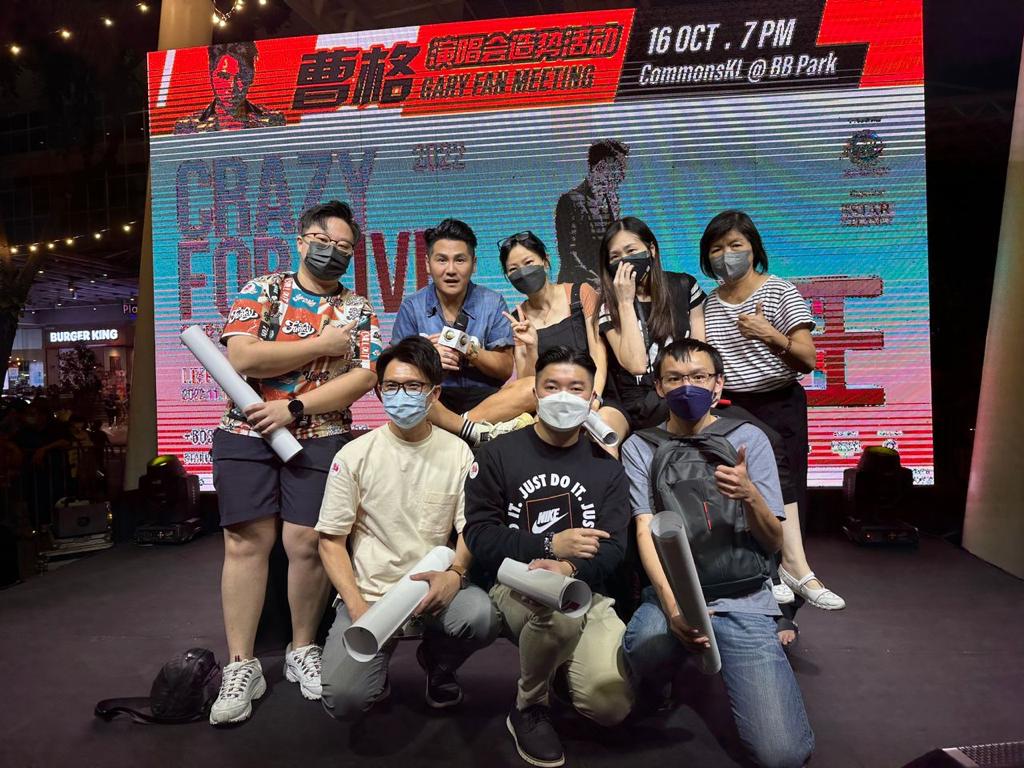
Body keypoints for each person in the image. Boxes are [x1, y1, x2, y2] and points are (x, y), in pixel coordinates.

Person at [208, 200, 382, 726]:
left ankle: (302, 648)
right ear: (301, 241)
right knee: (245, 542)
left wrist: (295, 406)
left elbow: (364, 376)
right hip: (245, 432)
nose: (333, 252)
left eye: (344, 247)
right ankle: (241, 664)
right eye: (323, 242)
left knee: (306, 543)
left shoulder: (357, 308)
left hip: (321, 435)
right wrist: (320, 344)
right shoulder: (263, 289)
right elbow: (243, 357)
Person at [621, 338, 814, 768]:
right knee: (645, 645)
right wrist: (673, 609)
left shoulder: (749, 439)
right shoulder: (640, 446)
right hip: (675, 593)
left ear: (718, 384)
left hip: (743, 595)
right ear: (659, 387)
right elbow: (645, 529)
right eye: (674, 378)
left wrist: (750, 495)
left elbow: (773, 541)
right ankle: (660, 680)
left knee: (782, 755)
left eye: (698, 376)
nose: (686, 386)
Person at [464, 346, 633, 768]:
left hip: (588, 590)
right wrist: (548, 547)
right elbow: (479, 534)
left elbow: (614, 546)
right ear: (535, 393)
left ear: (592, 398)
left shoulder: (607, 467)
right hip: (513, 587)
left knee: (610, 706)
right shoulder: (497, 454)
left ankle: (555, 664)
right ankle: (529, 707)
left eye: (576, 389)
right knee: (558, 610)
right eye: (552, 386)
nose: (563, 397)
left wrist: (569, 566)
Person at [316, 336, 499, 720]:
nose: (402, 395)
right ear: (379, 392)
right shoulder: (354, 455)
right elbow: (331, 542)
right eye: (392, 386)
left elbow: (469, 529)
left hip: (431, 591)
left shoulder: (457, 452)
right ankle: (374, 669)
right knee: (344, 700)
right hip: (370, 595)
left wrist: (455, 574)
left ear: (434, 394)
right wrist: (356, 606)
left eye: (414, 386)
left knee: (481, 617)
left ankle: (438, 662)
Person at [700, 210, 844, 611]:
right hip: (733, 407)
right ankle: (770, 579)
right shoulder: (709, 304)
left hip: (780, 403)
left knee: (789, 493)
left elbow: (808, 359)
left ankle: (791, 599)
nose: (726, 255)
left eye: (735, 245)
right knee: (743, 499)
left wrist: (770, 335)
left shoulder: (779, 291)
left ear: (754, 249)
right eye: (716, 248)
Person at [391, 219, 525, 445]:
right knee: (408, 395)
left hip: (486, 403)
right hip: (434, 399)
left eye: (460, 260)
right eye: (441, 260)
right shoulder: (412, 306)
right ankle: (468, 429)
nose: (451, 270)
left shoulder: (492, 302)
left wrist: (467, 347)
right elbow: (393, 371)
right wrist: (428, 358)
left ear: (474, 264)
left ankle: (457, 426)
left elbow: (504, 369)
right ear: (428, 264)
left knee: (530, 387)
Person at [498, 230, 629, 452]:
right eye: (513, 269)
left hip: (597, 398)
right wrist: (531, 346)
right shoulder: (517, 318)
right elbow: (526, 382)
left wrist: (593, 400)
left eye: (529, 263)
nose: (523, 272)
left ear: (545, 260)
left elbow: (598, 353)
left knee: (603, 440)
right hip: (552, 407)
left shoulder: (581, 294)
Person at [597, 216, 706, 432]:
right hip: (638, 403)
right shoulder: (608, 305)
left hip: (684, 390)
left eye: (631, 251)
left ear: (651, 250)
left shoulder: (684, 286)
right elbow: (636, 364)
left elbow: (700, 352)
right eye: (615, 256)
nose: (625, 261)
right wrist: (625, 302)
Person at [555, 139, 630, 286]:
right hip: (578, 288)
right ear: (600, 167)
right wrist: (596, 283)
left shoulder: (611, 202)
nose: (621, 176)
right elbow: (570, 254)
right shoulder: (570, 201)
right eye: (617, 169)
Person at [174, 42, 286, 134]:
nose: (232, 87)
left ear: (251, 77)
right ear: (211, 76)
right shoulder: (188, 127)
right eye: (224, 76)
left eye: (241, 77)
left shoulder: (272, 122)